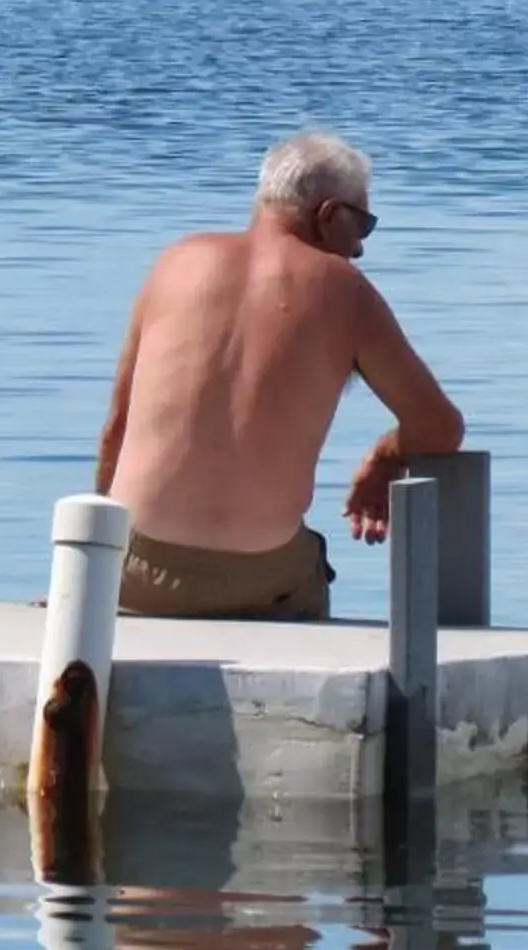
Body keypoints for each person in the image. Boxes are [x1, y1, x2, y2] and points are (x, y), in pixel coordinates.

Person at [95, 132, 464, 621]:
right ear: (329, 213)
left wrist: (89, 573)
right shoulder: (345, 291)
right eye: (364, 226)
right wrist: (384, 457)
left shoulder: (175, 263)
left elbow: (115, 430)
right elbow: (441, 428)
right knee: (305, 560)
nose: (358, 250)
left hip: (135, 574)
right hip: (261, 580)